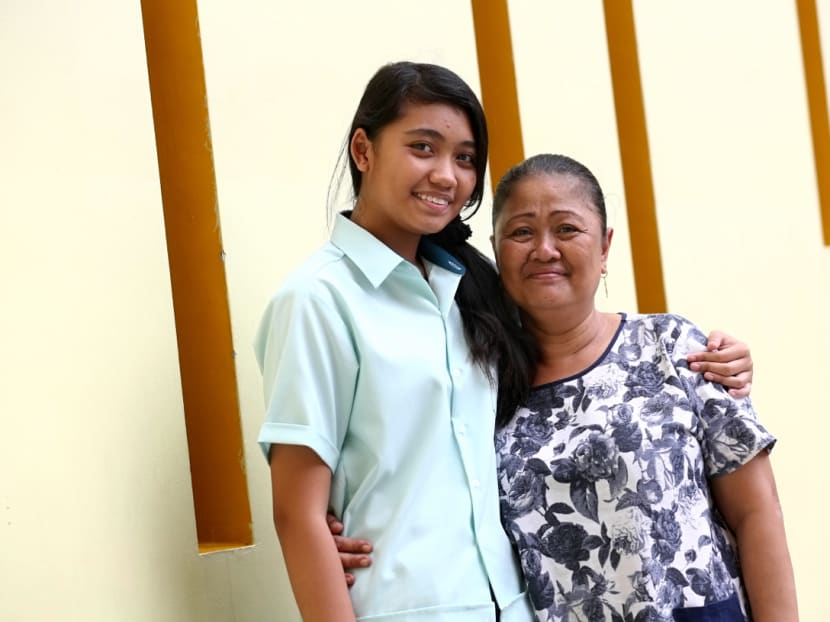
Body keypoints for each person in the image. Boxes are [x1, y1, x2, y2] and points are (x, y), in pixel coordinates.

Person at [257, 60, 755, 622]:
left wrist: (718, 363)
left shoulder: (469, 295)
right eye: (423, 147)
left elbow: (580, 362)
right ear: (364, 150)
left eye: (464, 158)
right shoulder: (318, 301)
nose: (446, 175)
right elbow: (296, 515)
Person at [490, 154, 797, 621]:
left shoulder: (674, 347)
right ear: (496, 249)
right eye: (522, 232)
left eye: (567, 229)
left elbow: (758, 514)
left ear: (605, 246)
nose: (544, 249)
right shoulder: (479, 388)